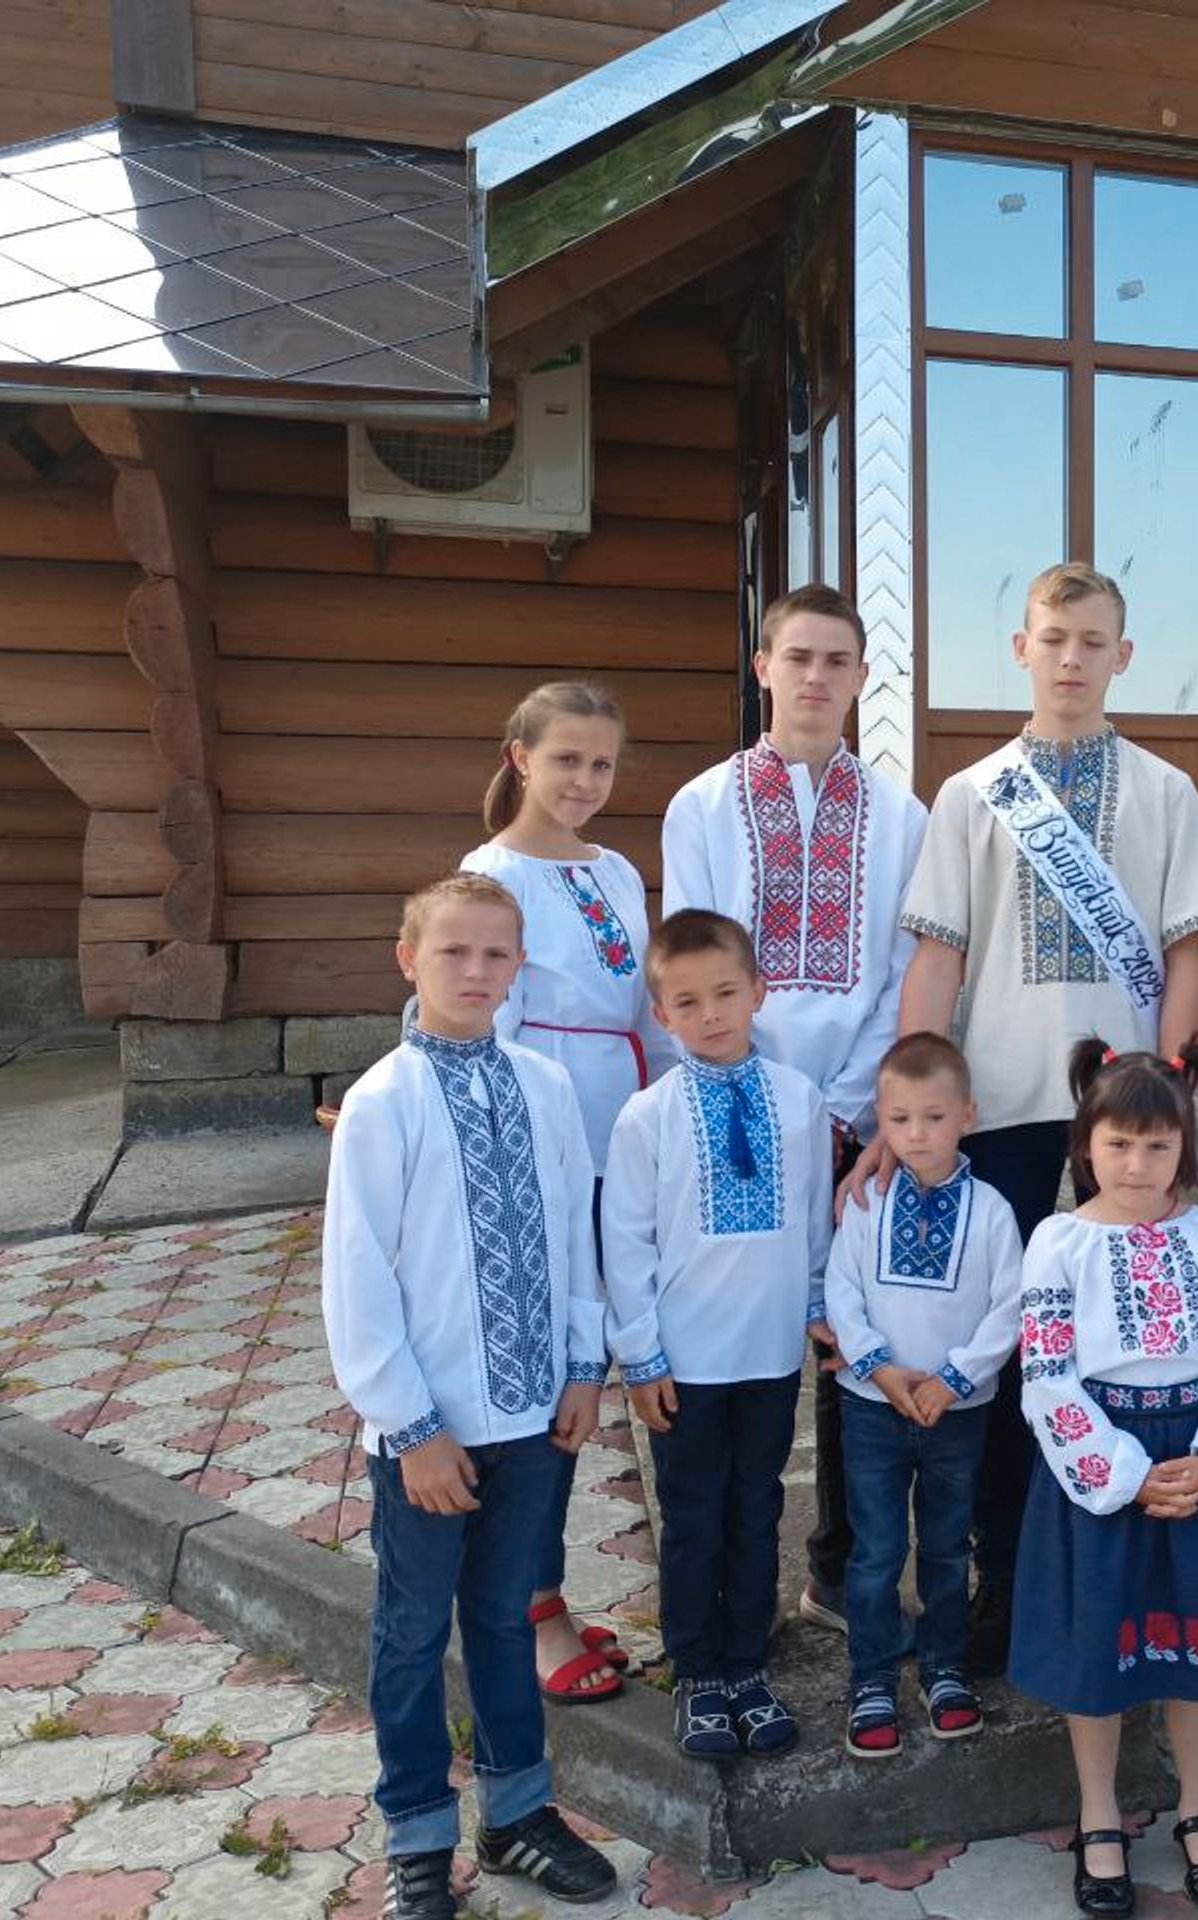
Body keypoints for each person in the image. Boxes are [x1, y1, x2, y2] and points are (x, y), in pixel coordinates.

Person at [890, 560, 1198, 1674]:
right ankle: (1001, 1579)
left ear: (1122, 656)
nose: (1072, 658)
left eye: (1094, 640)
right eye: (1054, 637)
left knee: (1123, 1342)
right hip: (995, 1113)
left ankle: (1130, 1568)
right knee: (997, 1353)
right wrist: (910, 1105)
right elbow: (939, 957)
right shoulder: (971, 793)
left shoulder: (1166, 791)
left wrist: (1168, 1083)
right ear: (1021, 648)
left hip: (1123, 1123)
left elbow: (1190, 949)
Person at [321, 873, 620, 1920]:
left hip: (535, 1421)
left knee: (504, 1620)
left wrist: (586, 1365)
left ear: (519, 966)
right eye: (454, 952)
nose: (477, 972)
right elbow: (358, 1278)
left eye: (497, 954)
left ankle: (518, 1817)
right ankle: (415, 1836)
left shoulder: (544, 1087)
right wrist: (411, 1429)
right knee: (409, 1635)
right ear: (410, 959)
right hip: (432, 1434)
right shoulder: (381, 1103)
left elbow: (578, 1239)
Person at [663, 585, 930, 1637]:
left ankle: (838, 1570)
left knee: (850, 1329)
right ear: (763, 666)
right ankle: (726, 1582)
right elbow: (700, 961)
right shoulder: (703, 805)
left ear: (863, 679)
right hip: (734, 1099)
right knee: (739, 1327)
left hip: (855, 1116)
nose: (817, 678)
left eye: (839, 661)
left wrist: (848, 1106)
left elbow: (905, 964)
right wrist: (763, 1099)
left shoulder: (902, 815)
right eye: (799, 657)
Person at [1013, 1039, 1198, 1916]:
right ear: (1086, 1144)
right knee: (1101, 1648)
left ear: (1184, 1151)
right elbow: (1048, 1374)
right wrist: (1124, 1475)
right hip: (1104, 1469)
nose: (1137, 1163)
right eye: (1118, 1144)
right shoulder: (1057, 1244)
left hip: (1197, 1462)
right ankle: (1098, 1813)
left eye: (1158, 1147)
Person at [461, 680, 663, 1704]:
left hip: (623, 1133)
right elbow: (485, 1023)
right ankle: (531, 1607)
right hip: (547, 1148)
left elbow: (646, 1004)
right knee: (550, 1382)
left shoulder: (618, 870)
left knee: (595, 1373)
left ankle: (545, 1587)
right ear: (519, 758)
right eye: (565, 759)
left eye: (601, 763)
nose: (584, 780)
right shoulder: (492, 875)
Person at [604, 910, 834, 1762]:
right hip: (685, 1363)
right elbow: (624, 1244)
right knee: (694, 1513)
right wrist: (642, 1354)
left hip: (769, 1354)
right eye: (688, 1002)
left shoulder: (800, 1102)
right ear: (661, 1015)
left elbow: (814, 1221)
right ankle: (698, 1670)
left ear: (759, 993)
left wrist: (817, 1306)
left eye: (727, 994)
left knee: (758, 1502)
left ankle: (747, 1662)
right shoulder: (647, 1117)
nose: (710, 1014)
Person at [819, 1032, 1026, 1757]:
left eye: (934, 1117)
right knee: (875, 1552)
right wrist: (878, 1367)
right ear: (881, 1118)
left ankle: (943, 1667)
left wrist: (953, 1380)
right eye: (901, 1118)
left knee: (944, 1547)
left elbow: (1011, 1306)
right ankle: (872, 1677)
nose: (917, 1134)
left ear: (967, 1114)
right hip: (872, 1408)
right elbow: (840, 1290)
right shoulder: (867, 1201)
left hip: (955, 1414)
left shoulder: (994, 1212)